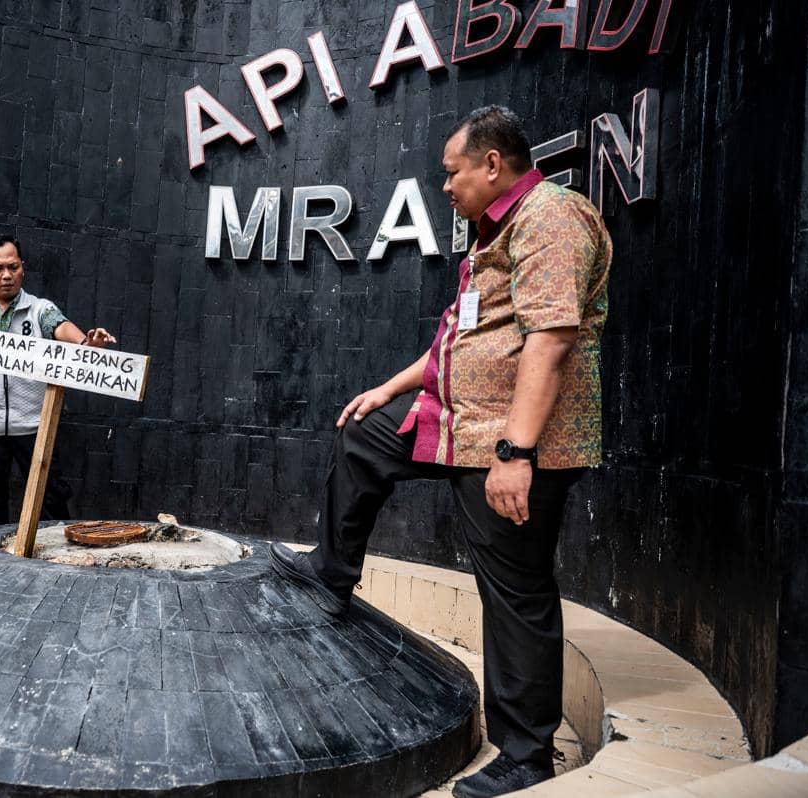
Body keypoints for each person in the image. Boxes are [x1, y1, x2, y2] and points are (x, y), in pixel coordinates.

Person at [269, 106, 611, 798]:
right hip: (457, 420)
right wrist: (385, 389)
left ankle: (525, 755)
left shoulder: (550, 216)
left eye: (452, 174)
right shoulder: (492, 234)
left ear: (492, 164)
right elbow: (456, 343)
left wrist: (517, 452)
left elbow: (551, 338)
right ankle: (333, 570)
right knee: (364, 433)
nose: (446, 187)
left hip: (511, 442)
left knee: (514, 592)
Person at [0, 235, 115, 529]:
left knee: (52, 504)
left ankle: (56, 570)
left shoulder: (41, 310)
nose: (6, 275)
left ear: (22, 268)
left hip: (34, 428)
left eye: (13, 267)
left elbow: (66, 331)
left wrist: (88, 344)